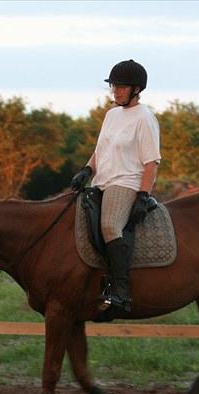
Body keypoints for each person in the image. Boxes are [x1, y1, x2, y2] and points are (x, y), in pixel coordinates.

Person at [70, 59, 161, 313]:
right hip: (101, 181)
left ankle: (121, 290)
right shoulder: (111, 115)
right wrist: (86, 170)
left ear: (136, 89)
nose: (116, 90)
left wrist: (143, 195)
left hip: (126, 182)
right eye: (114, 86)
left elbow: (151, 162)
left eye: (122, 86)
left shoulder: (144, 118)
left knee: (110, 225)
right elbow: (101, 150)